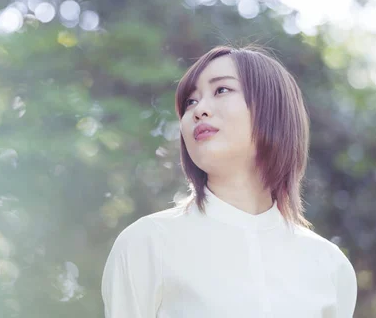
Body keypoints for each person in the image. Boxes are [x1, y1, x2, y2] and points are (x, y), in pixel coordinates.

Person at [101, 45, 357, 318]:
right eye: (190, 102)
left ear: (271, 109)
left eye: (221, 90)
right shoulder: (147, 243)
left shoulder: (330, 266)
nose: (199, 110)